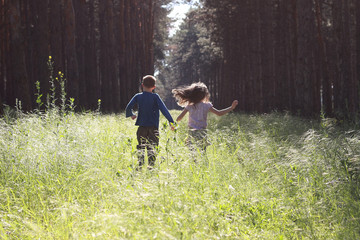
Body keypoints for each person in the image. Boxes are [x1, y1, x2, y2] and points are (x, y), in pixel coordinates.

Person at [126, 75, 175, 169]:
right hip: (153, 127)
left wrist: (131, 114)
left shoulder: (138, 96)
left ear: (142, 85)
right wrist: (171, 122)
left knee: (141, 146)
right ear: (154, 87)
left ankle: (140, 165)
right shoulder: (155, 97)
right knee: (152, 147)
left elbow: (128, 107)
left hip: (142, 127)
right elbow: (164, 110)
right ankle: (151, 166)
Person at [172, 82, 238, 150]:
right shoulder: (206, 105)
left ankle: (194, 161)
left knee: (192, 151)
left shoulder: (190, 106)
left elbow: (179, 117)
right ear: (204, 95)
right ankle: (202, 160)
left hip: (192, 132)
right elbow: (219, 113)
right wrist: (231, 108)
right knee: (202, 151)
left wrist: (174, 125)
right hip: (202, 132)